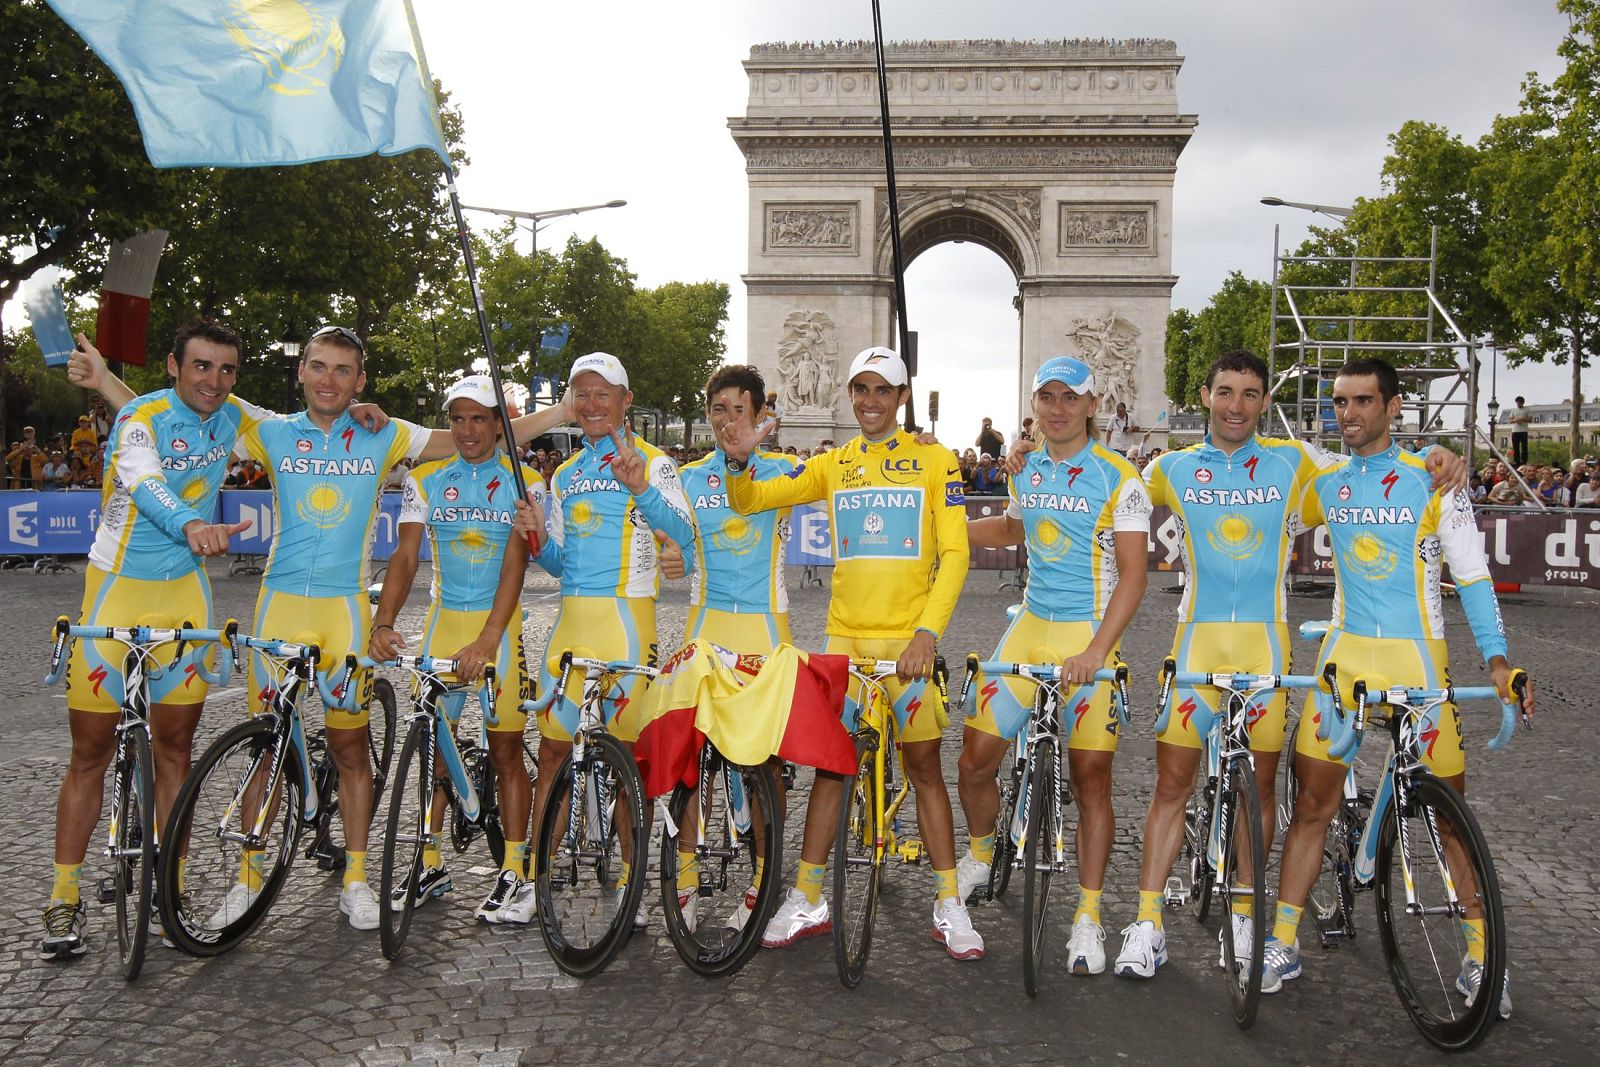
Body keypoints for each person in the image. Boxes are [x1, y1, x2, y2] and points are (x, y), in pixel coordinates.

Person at [83, 324, 572, 931]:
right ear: (302, 372)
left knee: (348, 748)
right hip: (278, 609)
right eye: (319, 367)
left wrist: (565, 410)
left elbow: (473, 435)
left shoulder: (385, 433)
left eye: (343, 371)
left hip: (343, 614)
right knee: (269, 744)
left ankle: (358, 879)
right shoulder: (266, 429)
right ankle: (248, 877)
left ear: (360, 381)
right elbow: (173, 414)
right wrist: (105, 381)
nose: (329, 380)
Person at [1100, 349, 1467, 980]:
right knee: (1170, 786)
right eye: (1224, 392)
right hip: (1194, 645)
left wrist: (1439, 456)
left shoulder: (1299, 462)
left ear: (1265, 402)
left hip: (1268, 650)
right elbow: (1101, 484)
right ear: (1206, 396)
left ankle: (1248, 918)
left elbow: (1375, 463)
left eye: (1248, 393)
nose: (1235, 405)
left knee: (1262, 791)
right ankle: (1147, 923)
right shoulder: (1170, 467)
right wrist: (1030, 453)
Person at [1270, 357, 1534, 1016]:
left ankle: (1482, 956)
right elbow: (1246, 452)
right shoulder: (1323, 478)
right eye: (1339, 402)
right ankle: (1280, 939)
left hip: (1420, 666)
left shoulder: (1433, 479)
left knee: (1449, 819)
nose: (1348, 413)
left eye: (1362, 401)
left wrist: (1499, 662)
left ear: (1393, 407)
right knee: (1311, 806)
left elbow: (1472, 576)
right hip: (1344, 660)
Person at [721, 346, 984, 960]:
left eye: (881, 390)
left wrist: (928, 635)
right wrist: (740, 462)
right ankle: (809, 895)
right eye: (859, 389)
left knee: (923, 770)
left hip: (908, 645)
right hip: (846, 641)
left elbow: (957, 555)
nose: (869, 401)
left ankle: (949, 903)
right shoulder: (834, 463)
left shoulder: (935, 460)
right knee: (831, 771)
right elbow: (751, 500)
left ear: (903, 397)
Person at [40, 322, 263, 959]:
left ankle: (173, 887)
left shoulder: (233, 417)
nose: (213, 381)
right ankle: (63, 897)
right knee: (89, 753)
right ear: (173, 365)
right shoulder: (139, 414)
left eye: (225, 370)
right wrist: (193, 521)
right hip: (117, 593)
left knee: (175, 751)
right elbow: (143, 479)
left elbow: (297, 430)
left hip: (184, 599)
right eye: (200, 367)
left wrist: (358, 416)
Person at [956, 355, 1151, 975]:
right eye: (1047, 396)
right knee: (973, 758)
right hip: (1030, 626)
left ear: (1093, 405)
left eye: (1071, 397)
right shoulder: (1026, 466)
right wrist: (948, 532)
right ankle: (982, 853)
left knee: (1092, 779)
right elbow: (1015, 525)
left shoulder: (1120, 477)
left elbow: (1135, 577)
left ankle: (1088, 916)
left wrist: (1096, 651)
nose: (1058, 407)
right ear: (1034, 404)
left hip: (1089, 634)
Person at [511, 351, 697, 929]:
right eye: (581, 394)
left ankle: (630, 880)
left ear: (625, 400)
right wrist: (537, 539)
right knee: (551, 753)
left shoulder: (655, 462)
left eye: (603, 394)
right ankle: (531, 879)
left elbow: (685, 545)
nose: (591, 405)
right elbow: (562, 565)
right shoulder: (563, 475)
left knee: (624, 765)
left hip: (625, 626)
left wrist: (640, 489)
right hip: (570, 625)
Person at [370, 375, 547, 925]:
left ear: (500, 426)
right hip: (446, 624)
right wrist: (384, 620)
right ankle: (429, 862)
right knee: (435, 754)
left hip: (500, 632)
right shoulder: (425, 480)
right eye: (458, 420)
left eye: (479, 420)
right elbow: (405, 557)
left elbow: (516, 567)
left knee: (507, 752)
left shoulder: (526, 480)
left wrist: (490, 638)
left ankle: (516, 871)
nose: (467, 431)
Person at [667, 363, 798, 930]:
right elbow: (673, 550)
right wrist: (673, 556)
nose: (727, 421)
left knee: (764, 768)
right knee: (687, 764)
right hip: (707, 630)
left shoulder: (786, 472)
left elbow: (852, 483)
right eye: (717, 410)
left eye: (738, 410)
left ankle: (766, 876)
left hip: (766, 634)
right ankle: (687, 878)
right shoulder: (688, 478)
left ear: (760, 414)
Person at [1509, 396, 1531, 467]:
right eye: (1517, 402)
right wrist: (1515, 420)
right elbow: (1510, 420)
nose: (1518, 404)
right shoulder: (1513, 410)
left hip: (1523, 431)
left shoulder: (1527, 410)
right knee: (1516, 447)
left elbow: (1530, 419)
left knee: (1524, 447)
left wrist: (1521, 419)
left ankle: (1524, 461)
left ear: (1523, 403)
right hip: (1515, 431)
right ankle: (1516, 461)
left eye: (1519, 402)